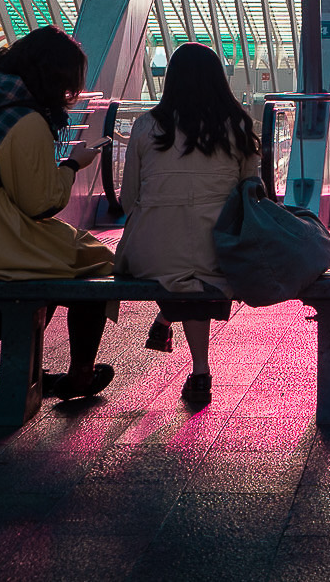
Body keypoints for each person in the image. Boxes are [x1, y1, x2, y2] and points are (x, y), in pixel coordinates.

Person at [0, 26, 116, 400]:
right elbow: (40, 203)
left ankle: (31, 368)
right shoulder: (25, 121)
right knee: (96, 262)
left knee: (52, 255)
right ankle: (80, 374)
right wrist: (73, 165)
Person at [115, 42, 261, 407]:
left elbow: (127, 198)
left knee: (179, 262)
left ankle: (175, 334)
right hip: (218, 248)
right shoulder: (238, 125)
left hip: (149, 251)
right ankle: (199, 370)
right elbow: (250, 194)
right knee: (199, 264)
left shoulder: (147, 125)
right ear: (218, 79)